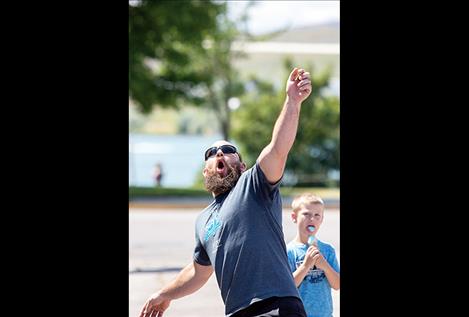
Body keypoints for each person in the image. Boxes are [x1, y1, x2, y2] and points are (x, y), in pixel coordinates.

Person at [139, 67, 312, 317]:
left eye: (227, 150)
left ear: (242, 166)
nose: (219, 153)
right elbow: (199, 272)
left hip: (276, 305)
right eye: (211, 154)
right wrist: (164, 294)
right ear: (205, 171)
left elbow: (278, 149)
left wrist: (292, 101)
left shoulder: (254, 185)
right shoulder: (203, 220)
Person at [286, 193, 340, 317]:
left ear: (321, 220)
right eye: (306, 214)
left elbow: (337, 285)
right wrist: (306, 265)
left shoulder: (327, 250)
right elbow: (288, 287)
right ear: (294, 217)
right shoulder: (289, 251)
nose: (312, 219)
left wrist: (324, 265)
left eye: (317, 215)